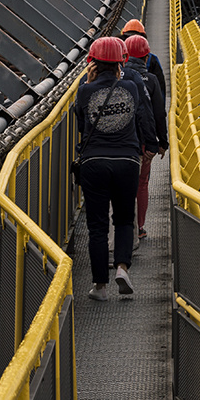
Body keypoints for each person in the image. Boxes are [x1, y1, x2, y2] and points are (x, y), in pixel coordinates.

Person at [75, 35, 158, 301]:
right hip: (127, 161)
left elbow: (81, 126)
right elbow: (143, 116)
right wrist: (151, 146)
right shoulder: (131, 88)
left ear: (93, 63)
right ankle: (122, 268)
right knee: (123, 220)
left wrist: (88, 85)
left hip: (94, 162)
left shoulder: (85, 90)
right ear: (121, 62)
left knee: (97, 226)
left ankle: (100, 286)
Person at [124, 33, 168, 239]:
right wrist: (161, 142)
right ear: (146, 56)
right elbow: (159, 113)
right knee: (141, 184)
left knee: (120, 185)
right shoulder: (151, 80)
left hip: (121, 141)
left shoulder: (119, 78)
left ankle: (122, 227)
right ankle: (139, 227)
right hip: (143, 142)